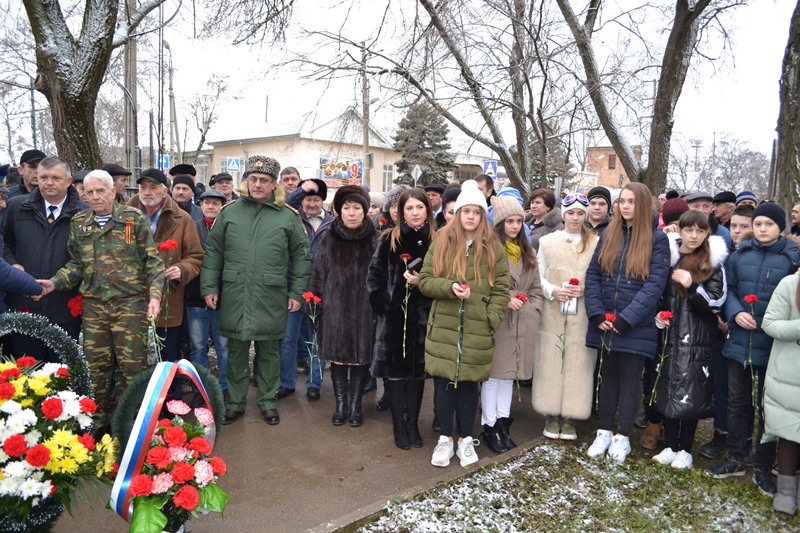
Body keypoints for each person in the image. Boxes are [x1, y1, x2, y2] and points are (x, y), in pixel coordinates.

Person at [37, 170, 164, 433]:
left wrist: (155, 296)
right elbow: (76, 265)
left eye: (100, 191)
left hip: (130, 307)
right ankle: (96, 424)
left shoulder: (132, 219)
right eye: (89, 192)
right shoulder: (79, 223)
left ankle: (132, 426)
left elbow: (153, 263)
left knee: (133, 369)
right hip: (95, 308)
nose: (94, 197)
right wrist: (54, 283)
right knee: (95, 370)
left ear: (113, 191)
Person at [201, 155, 310, 426]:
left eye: (264, 180)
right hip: (235, 292)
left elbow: (301, 256)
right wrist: (210, 287)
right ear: (247, 182)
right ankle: (236, 403)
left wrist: (297, 293)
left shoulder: (287, 216)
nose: (258, 184)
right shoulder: (230, 212)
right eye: (253, 179)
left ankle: (268, 401)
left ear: (274, 184)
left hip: (270, 294)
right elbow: (213, 252)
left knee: (270, 351)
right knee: (236, 350)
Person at [708, 202, 800, 496]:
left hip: (773, 343)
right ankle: (736, 456)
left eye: (768, 224)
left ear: (780, 227)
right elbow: (729, 290)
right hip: (740, 339)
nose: (762, 229)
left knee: (767, 406)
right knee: (737, 401)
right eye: (758, 224)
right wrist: (735, 312)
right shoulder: (739, 255)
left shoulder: (791, 258)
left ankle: (763, 465)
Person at [419, 179, 510, 468]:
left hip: (476, 328)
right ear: (458, 213)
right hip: (444, 328)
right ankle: (445, 439)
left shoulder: (493, 247)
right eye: (466, 211)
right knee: (444, 385)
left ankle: (466, 439)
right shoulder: (442, 241)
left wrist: (489, 319)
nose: (471, 217)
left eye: (476, 212)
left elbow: (502, 290)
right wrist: (449, 287)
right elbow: (425, 281)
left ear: (483, 216)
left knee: (470, 386)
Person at [584, 182, 670, 463]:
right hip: (606, 321)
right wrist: (597, 313)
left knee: (631, 380)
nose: (626, 206)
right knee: (607, 377)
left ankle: (622, 437)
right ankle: (604, 431)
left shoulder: (656, 239)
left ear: (642, 205)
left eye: (631, 201)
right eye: (622, 201)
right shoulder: (609, 233)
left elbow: (654, 285)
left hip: (635, 325)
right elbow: (593, 274)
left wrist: (627, 319)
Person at [650, 211, 728, 470]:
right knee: (669, 387)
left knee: (691, 392)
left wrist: (692, 285)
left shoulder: (712, 262)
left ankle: (685, 449)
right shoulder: (669, 258)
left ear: (707, 233)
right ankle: (671, 445)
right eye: (689, 230)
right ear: (680, 230)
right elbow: (657, 293)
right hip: (669, 335)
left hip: (697, 338)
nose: (694, 236)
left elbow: (715, 302)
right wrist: (658, 314)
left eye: (700, 231)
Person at [368, 188, 436, 449]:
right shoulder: (389, 238)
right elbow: (374, 275)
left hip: (424, 317)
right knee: (396, 372)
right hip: (395, 318)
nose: (415, 213)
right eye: (409, 208)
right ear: (400, 212)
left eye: (420, 207)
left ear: (427, 210)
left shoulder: (436, 239)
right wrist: (385, 305)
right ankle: (398, 425)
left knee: (417, 373)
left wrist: (424, 285)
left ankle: (412, 424)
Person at [2, 155, 88, 361]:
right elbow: (4, 244)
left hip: (65, 306)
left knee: (62, 372)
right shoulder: (16, 207)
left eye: (55, 178)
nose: (49, 183)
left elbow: (86, 259)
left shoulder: (85, 214)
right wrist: (13, 264)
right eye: (43, 177)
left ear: (69, 181)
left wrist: (57, 282)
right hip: (24, 305)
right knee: (26, 371)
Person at [309, 186, 378, 427]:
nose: (351, 213)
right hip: (335, 308)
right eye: (347, 208)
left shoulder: (375, 239)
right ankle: (341, 404)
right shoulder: (329, 237)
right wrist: (315, 301)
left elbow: (382, 275)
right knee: (337, 358)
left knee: (360, 358)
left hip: (364, 309)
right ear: (339, 211)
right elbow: (319, 271)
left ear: (364, 211)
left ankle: (356, 404)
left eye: (356, 208)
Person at [534, 194, 599, 441]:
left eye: (580, 213)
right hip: (553, 312)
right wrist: (553, 290)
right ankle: (552, 413)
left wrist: (586, 290)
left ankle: (571, 415)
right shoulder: (548, 242)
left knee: (579, 362)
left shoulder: (596, 243)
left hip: (582, 313)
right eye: (571, 213)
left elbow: (601, 277)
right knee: (551, 360)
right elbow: (537, 275)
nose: (575, 218)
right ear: (564, 215)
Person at [481, 195, 542, 453]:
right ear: (499, 224)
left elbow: (536, 288)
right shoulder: (489, 250)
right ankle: (490, 425)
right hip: (499, 320)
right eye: (509, 221)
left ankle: (503, 423)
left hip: (522, 321)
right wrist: (506, 299)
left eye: (519, 221)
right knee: (493, 376)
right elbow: (482, 285)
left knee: (509, 377)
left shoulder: (528, 252)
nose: (515, 226)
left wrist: (532, 309)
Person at [126, 169, 203, 370]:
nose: (147, 192)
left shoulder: (182, 219)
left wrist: (182, 269)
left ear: (164, 190)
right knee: (132, 362)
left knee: (166, 361)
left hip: (168, 301)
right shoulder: (124, 216)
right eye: (143, 187)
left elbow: (195, 256)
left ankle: (169, 391)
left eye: (153, 187)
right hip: (129, 301)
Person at [699, 202, 756, 460]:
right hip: (721, 329)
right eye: (734, 226)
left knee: (745, 392)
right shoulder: (723, 252)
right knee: (722, 385)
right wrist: (720, 316)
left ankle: (745, 438)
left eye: (744, 226)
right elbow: (718, 289)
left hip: (747, 329)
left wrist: (733, 317)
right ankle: (721, 433)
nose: (737, 231)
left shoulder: (752, 256)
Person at [283, 177, 333, 400]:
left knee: (316, 340)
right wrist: (300, 190)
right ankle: (287, 382)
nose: (311, 204)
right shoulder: (293, 218)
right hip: (294, 288)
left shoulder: (332, 223)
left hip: (321, 290)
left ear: (323, 201)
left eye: (316, 199)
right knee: (288, 339)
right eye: (307, 199)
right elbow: (283, 205)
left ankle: (314, 383)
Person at [185, 189, 230, 403]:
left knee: (224, 346)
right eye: (207, 203)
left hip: (223, 298)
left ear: (222, 206)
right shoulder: (192, 228)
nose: (211, 206)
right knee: (198, 347)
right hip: (195, 297)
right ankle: (200, 389)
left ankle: (224, 387)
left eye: (215, 203)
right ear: (200, 205)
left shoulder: (229, 228)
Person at [762, 270, 800, 514]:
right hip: (789, 373)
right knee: (789, 432)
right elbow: (770, 323)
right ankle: (786, 491)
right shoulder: (790, 283)